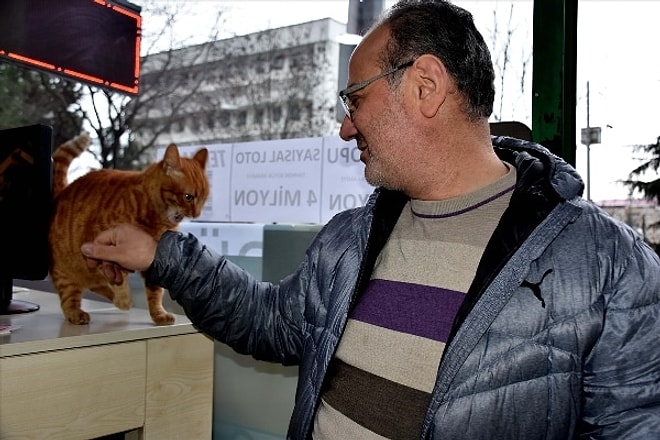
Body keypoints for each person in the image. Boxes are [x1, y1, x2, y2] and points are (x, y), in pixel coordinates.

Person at [81, 0, 660, 438]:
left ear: (425, 87)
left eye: (354, 100)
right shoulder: (349, 241)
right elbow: (271, 323)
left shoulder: (608, 265)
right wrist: (163, 254)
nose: (345, 127)